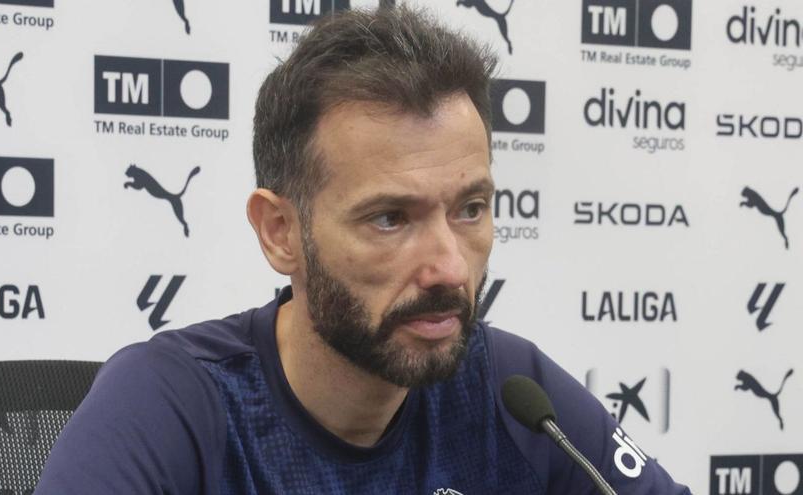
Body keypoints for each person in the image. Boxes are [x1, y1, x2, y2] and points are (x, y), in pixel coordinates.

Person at [36, 6, 690, 494]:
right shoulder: (175, 404)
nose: (449, 267)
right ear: (280, 231)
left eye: (470, 209)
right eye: (388, 218)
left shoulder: (509, 390)